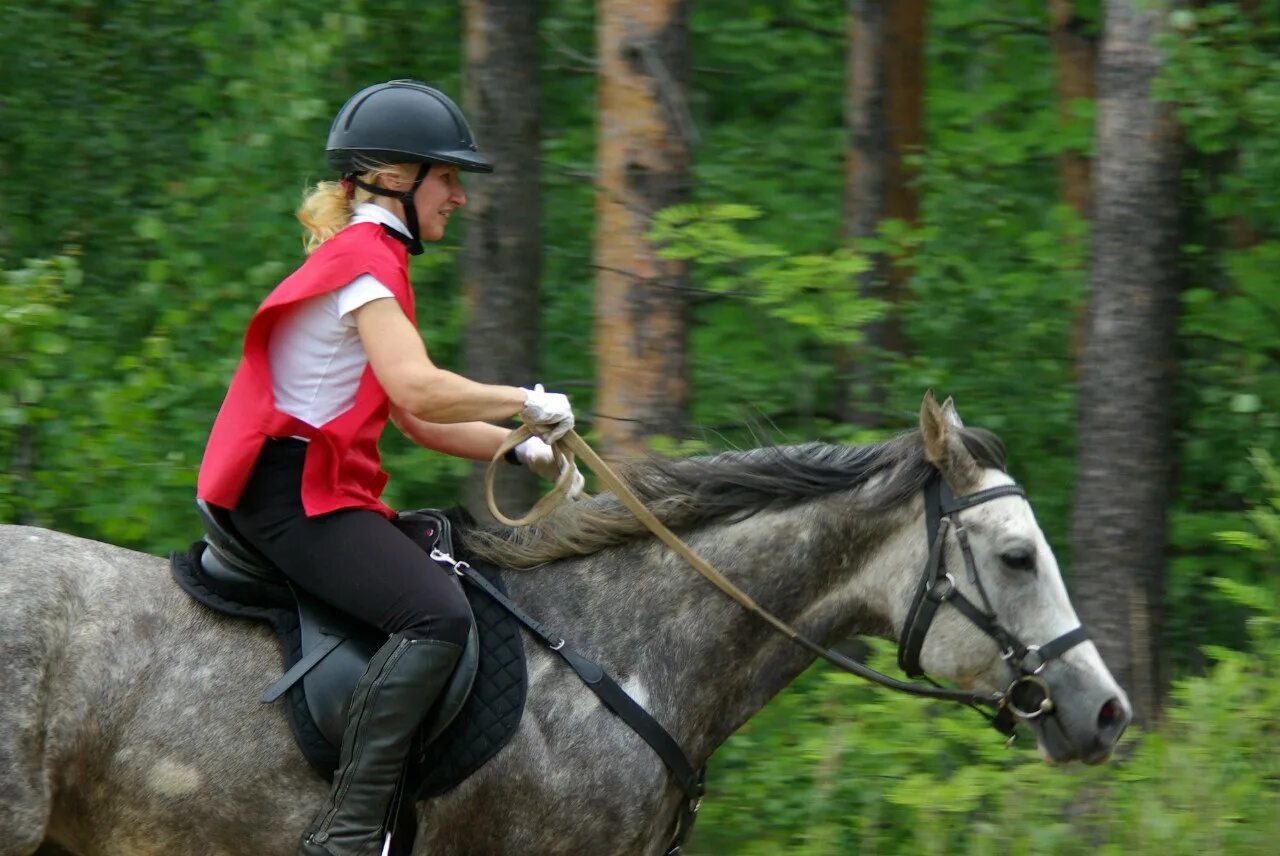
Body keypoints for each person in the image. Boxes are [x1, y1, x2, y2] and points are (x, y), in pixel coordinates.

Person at [196, 79, 580, 856]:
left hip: (307, 489)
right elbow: (418, 388)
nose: (459, 199)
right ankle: (347, 835)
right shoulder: (367, 263)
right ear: (396, 179)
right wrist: (525, 401)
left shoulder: (371, 260)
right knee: (435, 616)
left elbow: (413, 419)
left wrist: (529, 451)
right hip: (291, 499)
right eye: (448, 179)